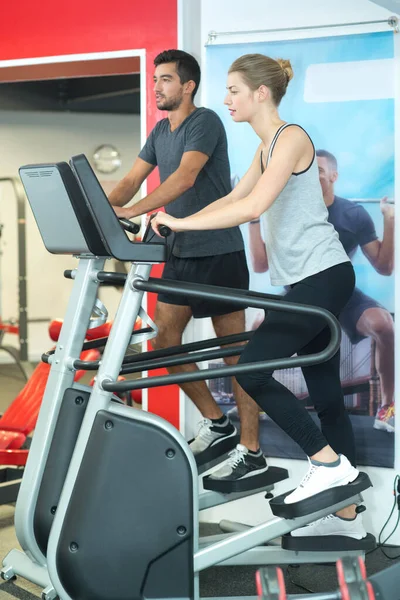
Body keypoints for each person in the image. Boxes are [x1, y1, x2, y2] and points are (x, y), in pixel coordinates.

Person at [151, 53, 367, 541]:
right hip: (309, 281)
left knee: (252, 367)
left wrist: (181, 223)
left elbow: (253, 206)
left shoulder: (290, 138)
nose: (225, 99)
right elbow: (231, 198)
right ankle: (349, 506)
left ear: (260, 93)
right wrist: (172, 219)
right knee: (328, 397)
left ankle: (326, 463)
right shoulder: (266, 146)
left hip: (325, 276)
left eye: (233, 90)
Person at [109, 49, 266, 481]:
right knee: (164, 343)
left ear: (188, 85)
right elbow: (128, 181)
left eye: (165, 79)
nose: (157, 87)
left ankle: (251, 449)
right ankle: (218, 425)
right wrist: (95, 211)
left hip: (218, 250)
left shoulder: (206, 122)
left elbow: (184, 178)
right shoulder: (160, 131)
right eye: (155, 79)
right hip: (178, 253)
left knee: (235, 355)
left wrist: (136, 212)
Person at [317, 150, 395, 433]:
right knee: (260, 325)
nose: (312, 176)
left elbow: (384, 268)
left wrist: (389, 220)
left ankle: (388, 408)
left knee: (383, 324)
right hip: (304, 294)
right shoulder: (293, 210)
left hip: (342, 293)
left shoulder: (353, 214)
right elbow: (263, 265)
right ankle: (262, 403)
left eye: (319, 171)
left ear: (333, 177)